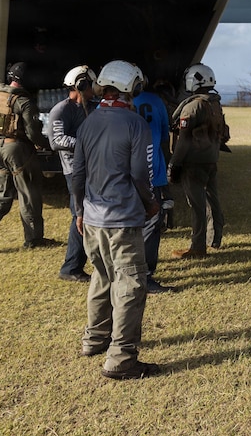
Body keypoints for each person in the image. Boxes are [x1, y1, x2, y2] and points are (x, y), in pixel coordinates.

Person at [71, 60, 162, 380]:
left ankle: (94, 339)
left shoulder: (88, 123)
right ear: (131, 88)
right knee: (131, 285)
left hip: (92, 220)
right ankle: (121, 358)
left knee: (101, 276)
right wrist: (151, 203)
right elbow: (141, 174)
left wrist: (79, 212)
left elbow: (77, 174)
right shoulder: (135, 124)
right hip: (122, 219)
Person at [0, 61, 58, 252]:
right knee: (29, 194)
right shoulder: (24, 102)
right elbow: (33, 133)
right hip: (17, 150)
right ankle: (34, 239)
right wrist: (47, 144)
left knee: (3, 195)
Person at [168, 63, 229, 260]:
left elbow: (184, 139)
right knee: (212, 199)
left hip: (194, 162)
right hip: (211, 158)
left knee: (197, 204)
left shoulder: (194, 105)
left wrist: (175, 163)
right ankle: (215, 239)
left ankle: (197, 246)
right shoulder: (214, 102)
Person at [49, 64, 97, 282]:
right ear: (81, 84)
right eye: (90, 84)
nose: (93, 89)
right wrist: (85, 144)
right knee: (79, 215)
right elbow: (56, 140)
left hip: (91, 167)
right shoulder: (61, 110)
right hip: (74, 170)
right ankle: (71, 267)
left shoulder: (90, 107)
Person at [133, 80, 174, 293]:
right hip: (154, 171)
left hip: (126, 174)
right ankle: (146, 274)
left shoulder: (118, 104)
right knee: (151, 223)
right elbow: (165, 137)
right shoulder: (156, 101)